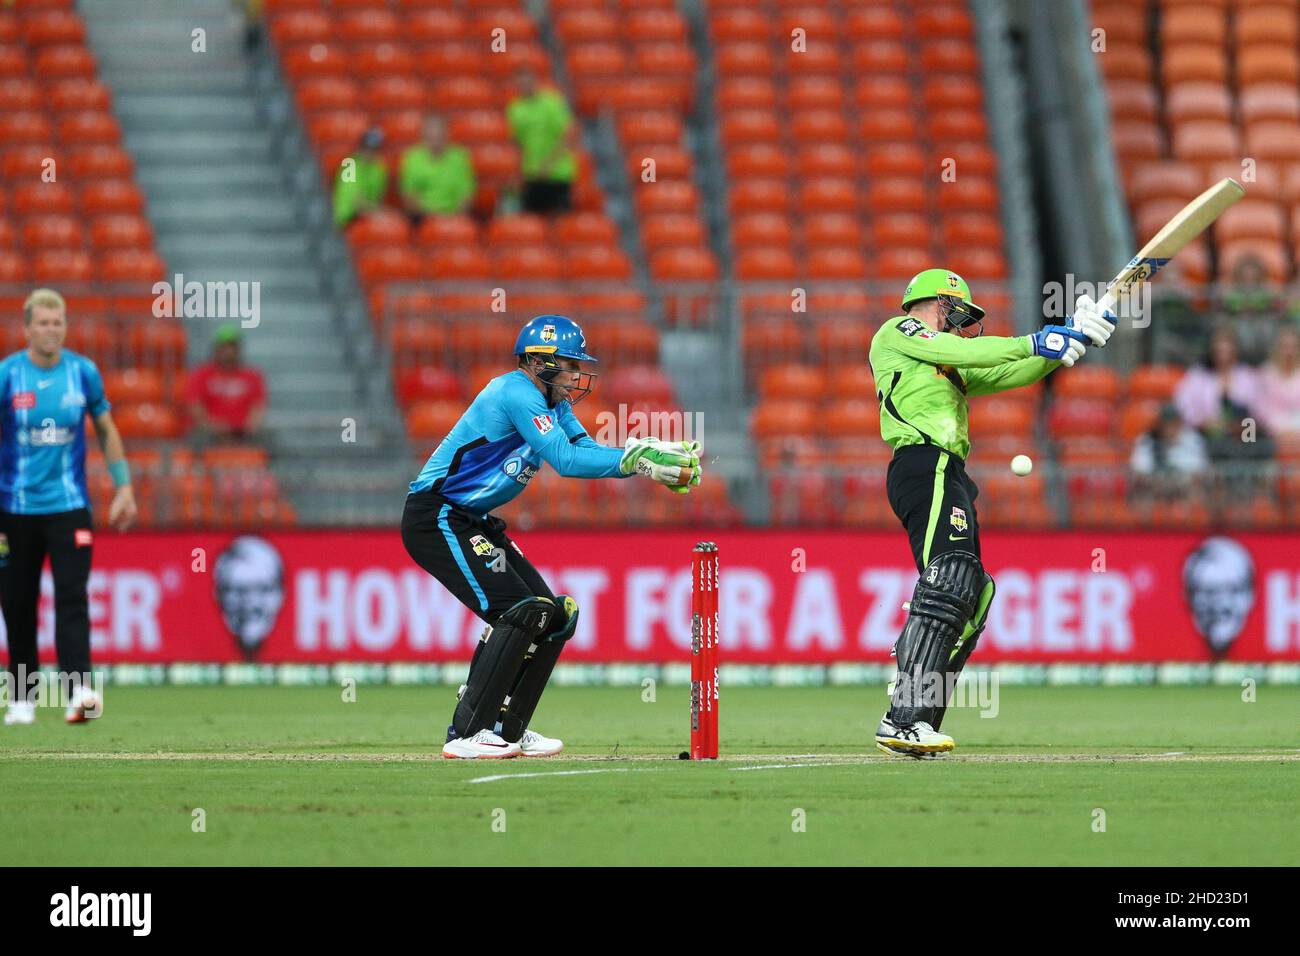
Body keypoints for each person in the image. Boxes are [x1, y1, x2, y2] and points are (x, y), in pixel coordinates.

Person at [402, 315, 701, 759]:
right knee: (520, 612)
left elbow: (585, 450)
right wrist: (637, 461)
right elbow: (563, 459)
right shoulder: (515, 393)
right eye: (569, 364)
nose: (577, 375)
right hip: (438, 515)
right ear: (540, 362)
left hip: (473, 518)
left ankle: (508, 728)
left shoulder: (551, 402)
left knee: (552, 617)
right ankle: (467, 733)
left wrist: (644, 451)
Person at [867, 269, 1112, 758]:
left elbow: (1005, 372)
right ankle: (902, 716)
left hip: (950, 470)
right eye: (953, 313)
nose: (958, 326)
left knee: (972, 592)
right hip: (922, 462)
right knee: (949, 576)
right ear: (931, 303)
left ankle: (919, 720)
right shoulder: (898, 334)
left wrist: (1065, 343)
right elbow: (966, 351)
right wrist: (1038, 339)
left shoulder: (946, 363)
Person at [1, 289, 137, 726]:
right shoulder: (7, 376)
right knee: (17, 601)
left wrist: (124, 487)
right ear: (26, 329)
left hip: (69, 508)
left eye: (57, 322)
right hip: (14, 511)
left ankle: (79, 690)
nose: (51, 330)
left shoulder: (82, 373)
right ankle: (23, 697)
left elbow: (105, 426)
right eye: (43, 323)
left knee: (73, 596)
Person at [1173, 326, 1264, 461]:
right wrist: (1204, 422)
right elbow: (1183, 406)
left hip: (1243, 434)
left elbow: (1258, 408)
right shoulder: (1197, 375)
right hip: (1205, 435)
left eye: (1228, 343)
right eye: (1219, 343)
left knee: (1257, 443)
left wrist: (1242, 425)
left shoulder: (1247, 375)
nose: (1223, 348)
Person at [506, 67, 577, 215]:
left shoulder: (552, 103)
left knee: (561, 222)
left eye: (528, 81)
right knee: (533, 223)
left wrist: (549, 164)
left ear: (535, 82)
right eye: (521, 83)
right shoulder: (514, 109)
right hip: (531, 174)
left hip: (558, 174)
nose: (525, 86)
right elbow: (517, 143)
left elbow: (568, 136)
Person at [185, 324, 267, 443]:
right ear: (216, 349)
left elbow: (258, 407)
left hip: (243, 433)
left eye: (232, 347)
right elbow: (195, 407)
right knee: (197, 438)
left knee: (264, 438)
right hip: (210, 432)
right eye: (224, 347)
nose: (228, 352)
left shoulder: (253, 376)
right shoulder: (200, 375)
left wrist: (250, 426)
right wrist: (212, 425)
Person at [398, 116, 476, 223]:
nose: (435, 140)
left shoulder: (460, 157)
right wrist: (434, 218)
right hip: (422, 219)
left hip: (455, 218)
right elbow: (409, 198)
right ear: (423, 136)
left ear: (447, 135)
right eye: (431, 136)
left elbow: (467, 196)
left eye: (439, 136)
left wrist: (453, 218)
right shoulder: (412, 158)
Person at [1130, 403, 1210, 501]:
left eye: (1175, 423)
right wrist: (1157, 482)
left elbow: (1200, 469)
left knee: (1198, 494)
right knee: (1141, 496)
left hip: (1184, 488)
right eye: (1167, 424)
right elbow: (1139, 469)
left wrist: (1178, 481)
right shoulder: (1148, 440)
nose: (1171, 428)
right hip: (1155, 488)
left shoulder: (1192, 439)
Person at [332, 127, 388, 230]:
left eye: (373, 149)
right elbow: (355, 202)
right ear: (360, 147)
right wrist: (378, 212)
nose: (369, 152)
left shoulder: (379, 170)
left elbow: (376, 199)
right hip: (347, 220)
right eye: (366, 147)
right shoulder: (349, 165)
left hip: (367, 217)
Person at [1256, 325, 1300, 438]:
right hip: (1272, 435)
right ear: (1277, 348)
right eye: (1285, 347)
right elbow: (1261, 409)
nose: (1289, 352)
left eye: (1293, 347)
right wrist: (1280, 429)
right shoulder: (1265, 374)